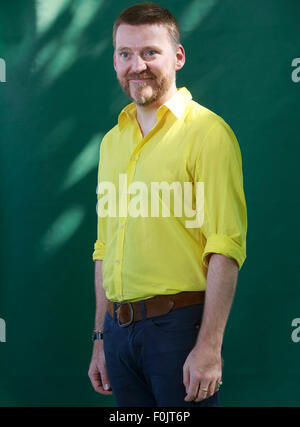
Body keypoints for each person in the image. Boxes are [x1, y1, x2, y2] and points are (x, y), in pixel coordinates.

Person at [88, 2, 247, 407]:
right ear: (114, 60)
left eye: (149, 52)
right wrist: (101, 339)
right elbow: (104, 248)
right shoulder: (111, 143)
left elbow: (225, 246)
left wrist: (209, 347)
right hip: (118, 333)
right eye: (125, 54)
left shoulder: (207, 133)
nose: (136, 65)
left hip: (178, 331)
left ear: (177, 57)